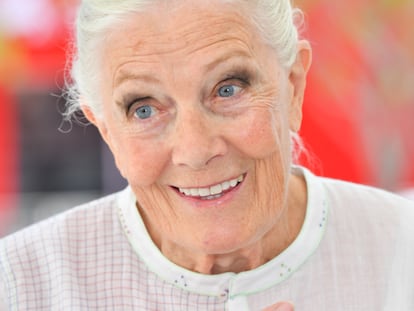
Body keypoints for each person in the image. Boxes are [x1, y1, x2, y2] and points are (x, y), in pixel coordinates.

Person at [1, 0, 413, 310]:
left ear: (293, 86)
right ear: (106, 129)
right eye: (144, 108)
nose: (196, 150)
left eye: (228, 88)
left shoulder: (400, 248)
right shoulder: (22, 283)